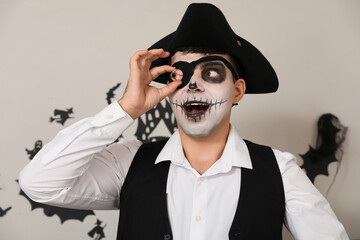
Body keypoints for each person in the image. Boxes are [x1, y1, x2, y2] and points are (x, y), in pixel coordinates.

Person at [19, 3, 349, 240]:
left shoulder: (280, 170)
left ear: (237, 90)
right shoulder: (128, 163)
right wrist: (126, 108)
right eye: (182, 74)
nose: (193, 84)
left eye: (212, 72)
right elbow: (39, 183)